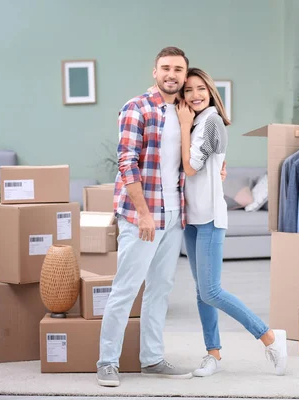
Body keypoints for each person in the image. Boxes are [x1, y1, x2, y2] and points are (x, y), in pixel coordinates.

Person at [96, 47, 226, 387]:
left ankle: (151, 359)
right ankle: (107, 362)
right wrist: (143, 215)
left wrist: (219, 167)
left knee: (160, 289)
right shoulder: (136, 108)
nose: (172, 74)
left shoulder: (187, 112)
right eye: (166, 68)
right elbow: (126, 164)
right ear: (155, 72)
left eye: (178, 69)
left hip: (174, 215)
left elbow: (195, 156)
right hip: (144, 215)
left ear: (184, 76)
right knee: (126, 289)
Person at [176, 68, 288, 378]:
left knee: (211, 291)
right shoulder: (196, 122)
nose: (195, 95)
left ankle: (269, 336)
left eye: (200, 88)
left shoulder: (209, 121)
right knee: (201, 292)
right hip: (192, 217)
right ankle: (213, 354)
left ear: (211, 91)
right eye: (188, 90)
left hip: (210, 217)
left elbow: (190, 166)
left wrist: (184, 126)